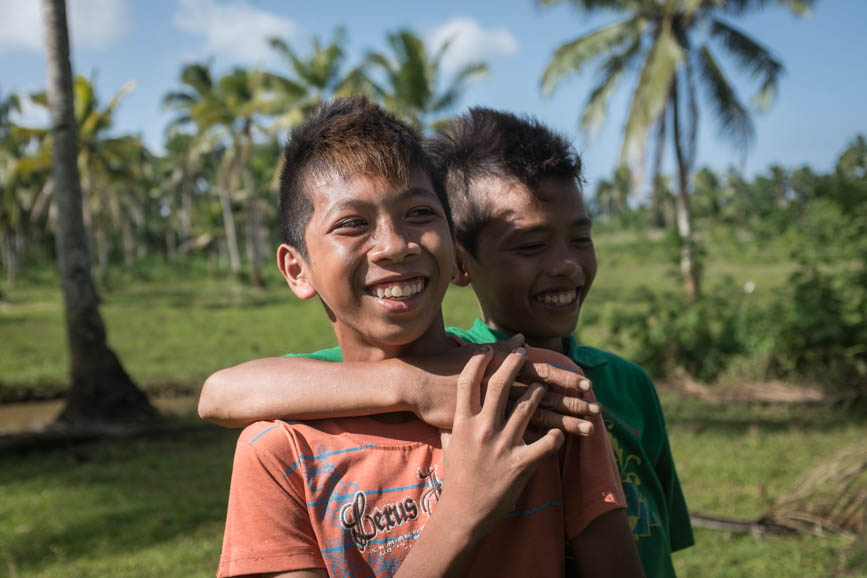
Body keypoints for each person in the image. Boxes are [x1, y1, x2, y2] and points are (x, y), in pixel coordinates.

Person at [203, 107, 692, 578]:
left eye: (419, 213)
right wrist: (463, 512)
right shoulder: (277, 452)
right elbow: (221, 393)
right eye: (353, 223)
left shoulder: (537, 389)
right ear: (297, 269)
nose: (395, 245)